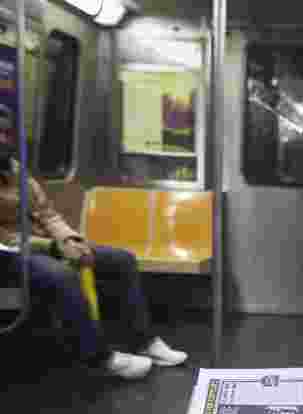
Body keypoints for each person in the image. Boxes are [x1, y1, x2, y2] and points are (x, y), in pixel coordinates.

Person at [0, 142, 187, 379]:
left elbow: (47, 214)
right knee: (62, 275)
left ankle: (142, 341)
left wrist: (70, 239)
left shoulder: (14, 169)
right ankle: (99, 358)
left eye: (5, 134)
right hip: (9, 253)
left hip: (43, 243)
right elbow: (4, 237)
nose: (4, 139)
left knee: (121, 260)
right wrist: (52, 247)